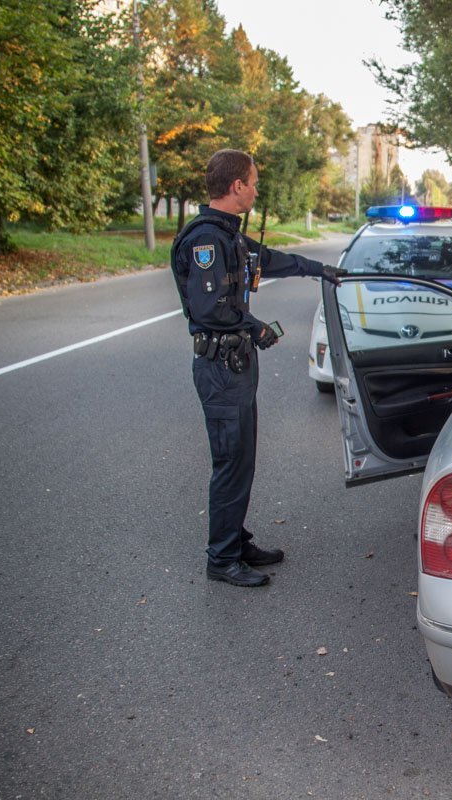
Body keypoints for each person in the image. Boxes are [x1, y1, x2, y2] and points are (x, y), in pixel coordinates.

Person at [170, 148, 339, 587]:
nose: (257, 188)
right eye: (254, 181)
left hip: (235, 365)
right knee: (230, 460)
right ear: (236, 186)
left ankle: (234, 539)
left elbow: (269, 260)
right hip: (221, 366)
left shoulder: (229, 233)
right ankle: (221, 558)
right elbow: (212, 311)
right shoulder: (206, 239)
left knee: (242, 459)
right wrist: (257, 326)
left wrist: (318, 269)